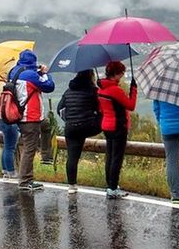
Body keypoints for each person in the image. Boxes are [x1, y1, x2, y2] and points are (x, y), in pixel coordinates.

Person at [6, 49, 55, 192]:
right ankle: (25, 180)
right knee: (29, 148)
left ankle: (46, 156)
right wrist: (46, 73)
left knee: (46, 125)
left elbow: (29, 81)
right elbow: (49, 87)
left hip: (20, 115)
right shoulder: (30, 75)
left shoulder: (13, 72)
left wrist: (38, 72)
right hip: (30, 117)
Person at [57, 69, 101, 193]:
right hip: (88, 126)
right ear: (91, 76)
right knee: (105, 121)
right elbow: (100, 108)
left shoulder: (68, 91)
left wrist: (68, 119)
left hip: (71, 128)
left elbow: (59, 109)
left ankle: (72, 186)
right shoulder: (93, 91)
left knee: (72, 156)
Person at [97, 61, 137, 199]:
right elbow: (130, 106)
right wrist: (133, 90)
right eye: (121, 73)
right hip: (118, 127)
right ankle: (113, 188)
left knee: (110, 156)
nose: (123, 75)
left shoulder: (101, 88)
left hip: (106, 126)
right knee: (117, 158)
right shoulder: (115, 90)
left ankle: (110, 185)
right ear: (116, 73)